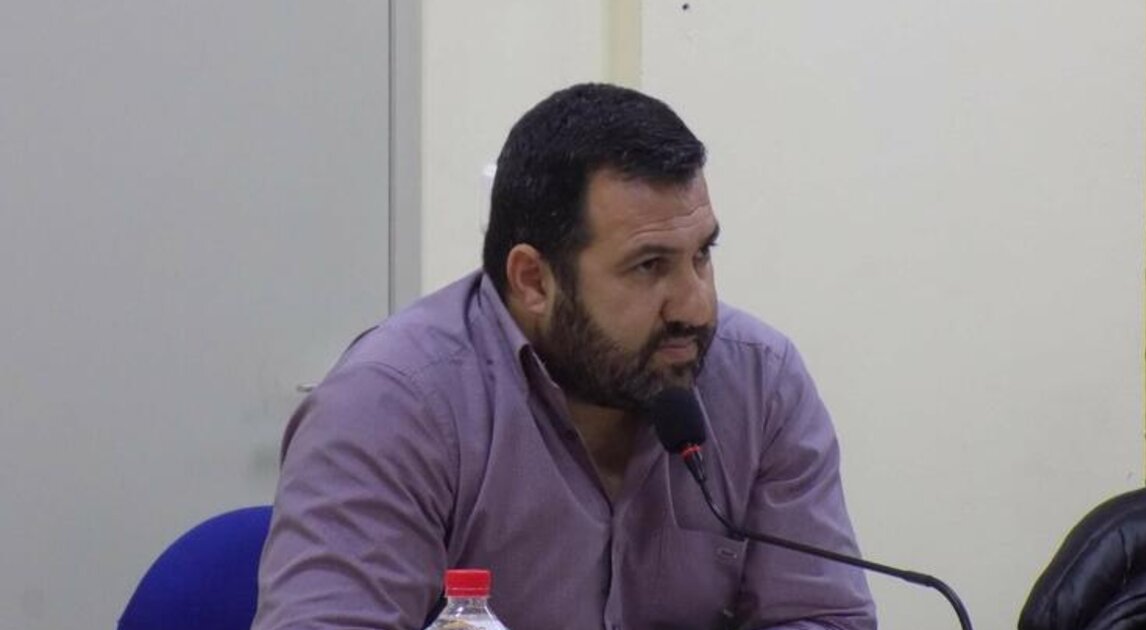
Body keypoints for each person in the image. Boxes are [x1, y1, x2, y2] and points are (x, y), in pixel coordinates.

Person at [252, 83, 876, 630]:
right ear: (533, 281)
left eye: (702, 256)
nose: (696, 305)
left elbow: (825, 616)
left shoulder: (760, 381)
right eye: (649, 266)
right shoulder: (391, 403)